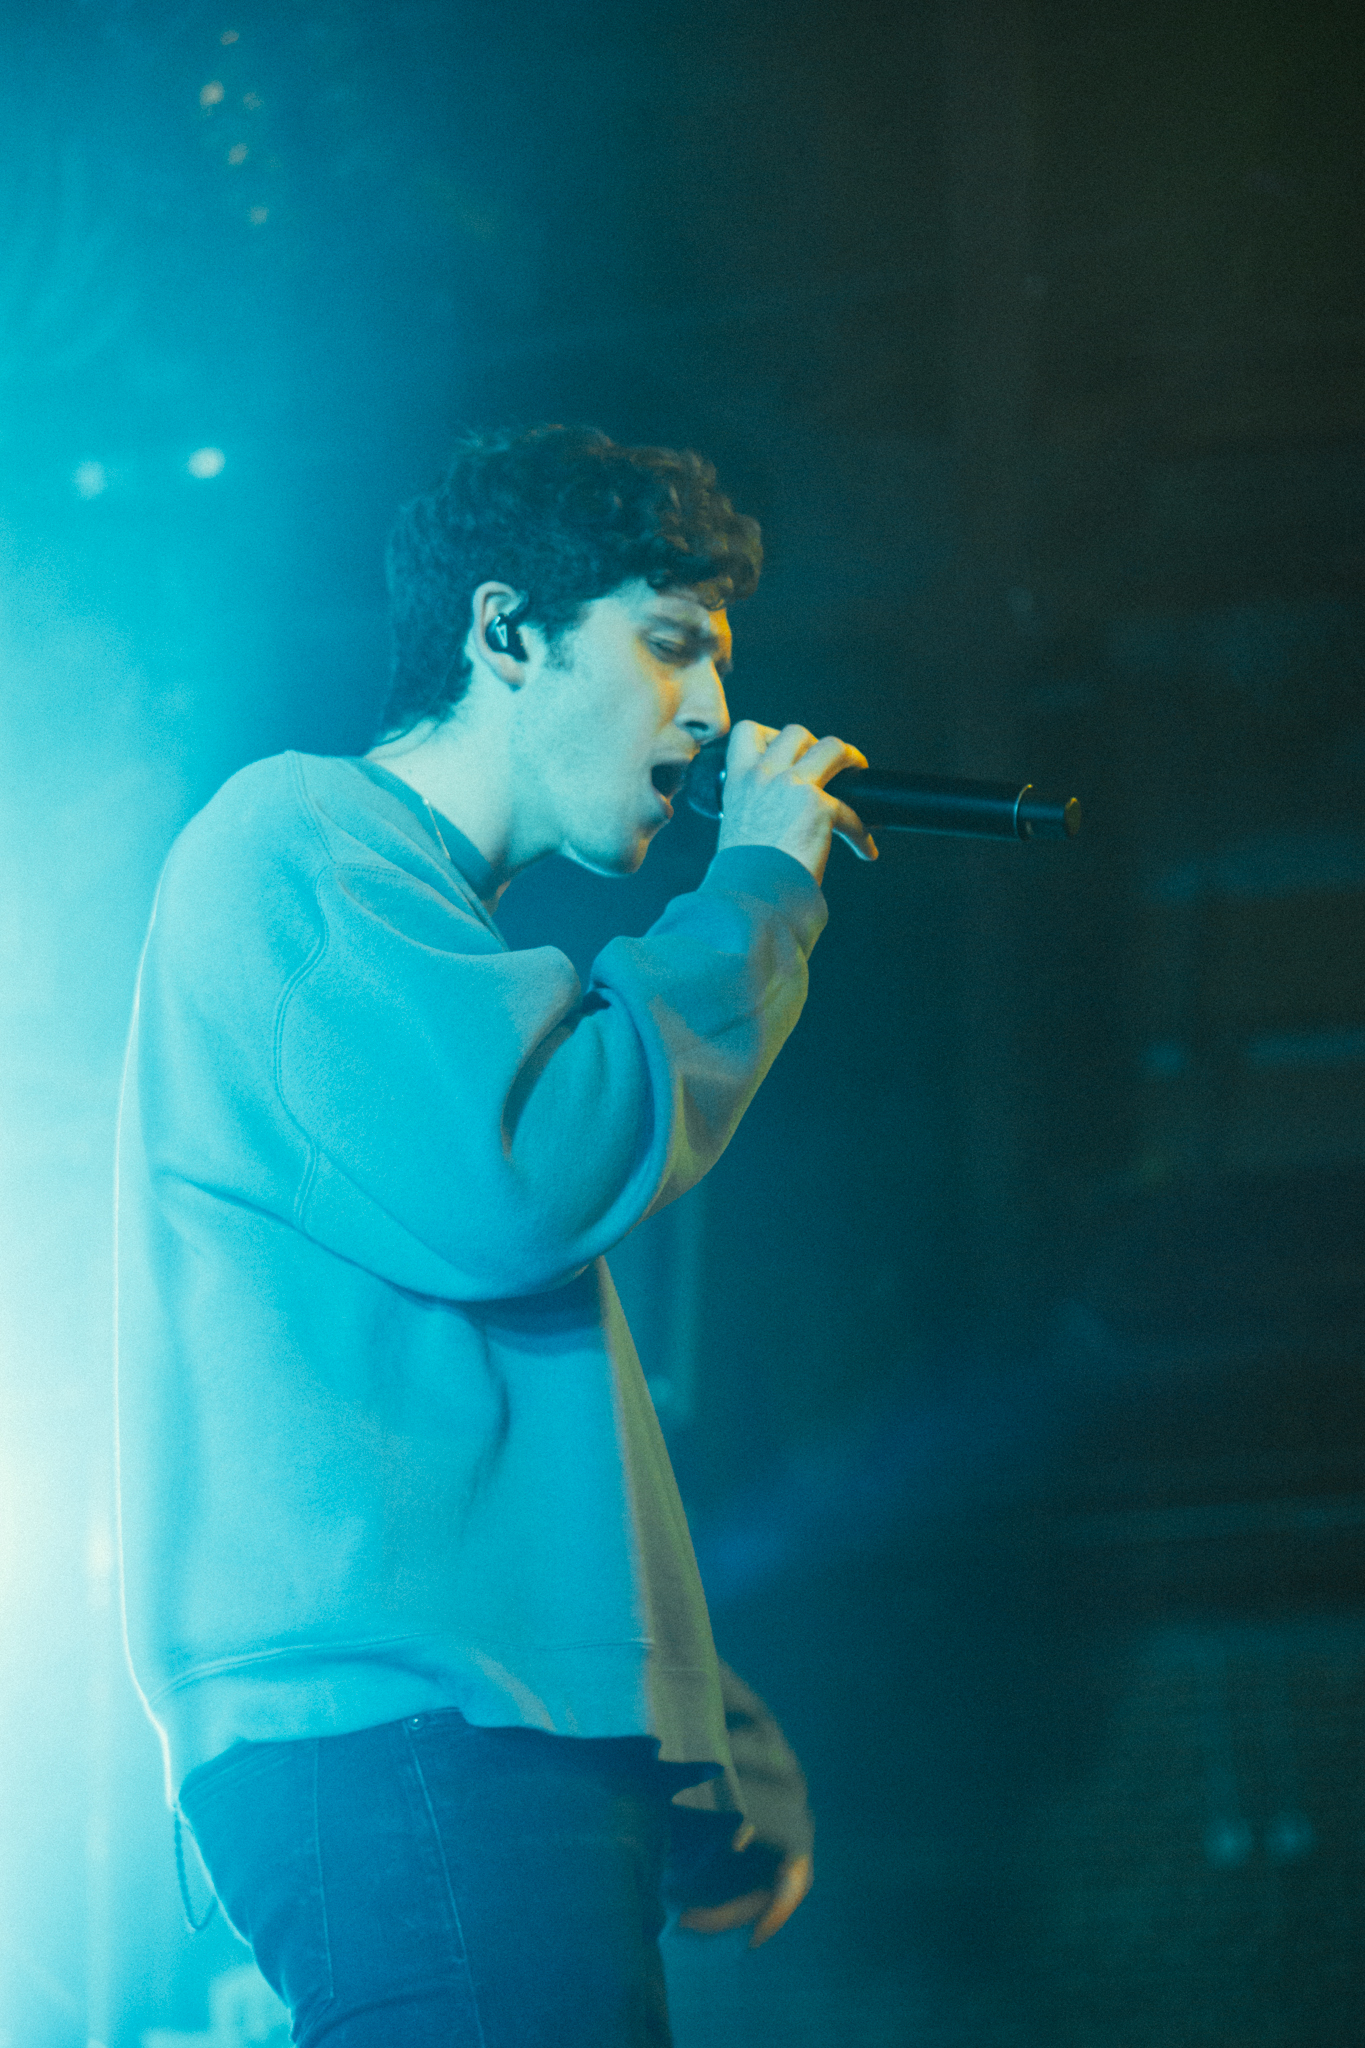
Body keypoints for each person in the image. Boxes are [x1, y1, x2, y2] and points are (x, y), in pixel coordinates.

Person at [115, 424, 875, 2046]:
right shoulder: (299, 838)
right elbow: (523, 1181)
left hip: (468, 1731)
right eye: (667, 643)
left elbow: (495, 1417)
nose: (711, 711)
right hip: (401, 1729)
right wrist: (754, 891)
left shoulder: (430, 950)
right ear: (506, 631)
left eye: (718, 663)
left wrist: (700, 1752)